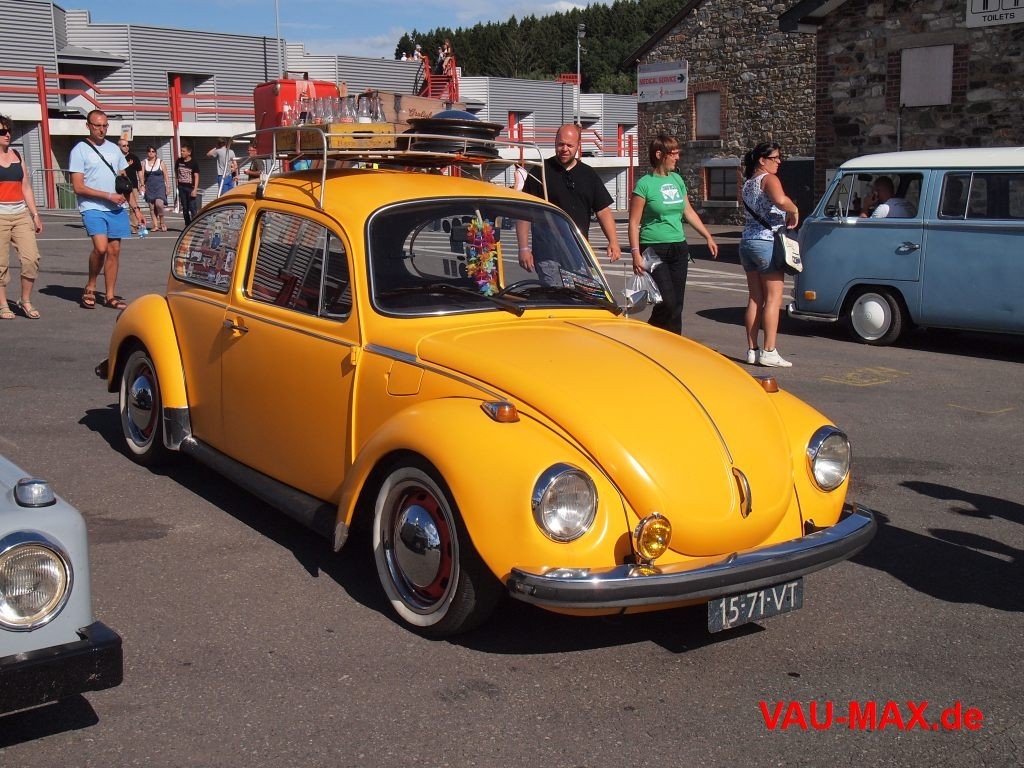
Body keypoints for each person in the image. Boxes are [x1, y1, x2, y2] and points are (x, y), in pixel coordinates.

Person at [627, 134, 718, 336]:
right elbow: (633, 223)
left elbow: (688, 211)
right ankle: (648, 334)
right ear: (659, 154)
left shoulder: (677, 179)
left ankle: (674, 343)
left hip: (678, 247)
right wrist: (635, 254)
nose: (677, 157)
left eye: (678, 153)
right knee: (666, 302)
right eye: (673, 153)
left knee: (677, 304)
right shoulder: (644, 184)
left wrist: (708, 236)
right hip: (653, 249)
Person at [517, 123, 621, 284]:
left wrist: (613, 241)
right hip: (548, 253)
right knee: (556, 295)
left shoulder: (588, 174)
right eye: (561, 144)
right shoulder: (540, 172)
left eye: (569, 145)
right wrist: (523, 248)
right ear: (555, 143)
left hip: (579, 252)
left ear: (578, 146)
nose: (564, 149)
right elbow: (524, 212)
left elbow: (603, 211)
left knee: (581, 296)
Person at [739, 141, 799, 367]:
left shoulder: (748, 183)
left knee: (755, 298)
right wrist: (795, 209)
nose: (779, 162)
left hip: (747, 242)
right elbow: (781, 201)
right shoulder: (769, 179)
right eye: (775, 158)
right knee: (773, 298)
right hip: (766, 242)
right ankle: (769, 351)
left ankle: (752, 350)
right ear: (762, 160)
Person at [69, 109, 131, 310]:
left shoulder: (114, 149)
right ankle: (91, 285)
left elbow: (124, 180)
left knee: (114, 250)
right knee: (101, 248)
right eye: (97, 125)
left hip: (116, 207)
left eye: (105, 126)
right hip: (92, 206)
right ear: (88, 126)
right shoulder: (79, 150)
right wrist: (107, 196)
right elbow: (78, 187)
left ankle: (110, 295)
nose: (101, 129)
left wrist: (136, 208)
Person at [0, 113, 44, 319]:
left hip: (20, 214)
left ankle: (25, 300)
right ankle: (3, 304)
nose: (7, 134)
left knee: (31, 258)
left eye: (9, 131)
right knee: (0, 263)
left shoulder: (17, 155)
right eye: (2, 132)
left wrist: (35, 214)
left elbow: (25, 186)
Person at [117, 137, 148, 235]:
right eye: (124, 146)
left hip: (132, 185)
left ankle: (133, 226)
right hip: (118, 186)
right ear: (119, 147)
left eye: (128, 145)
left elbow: (139, 171)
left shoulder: (134, 157)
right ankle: (118, 225)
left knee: (133, 207)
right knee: (118, 206)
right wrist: (126, 164)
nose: (126, 147)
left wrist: (142, 184)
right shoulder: (116, 157)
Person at [142, 145, 169, 231]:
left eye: (153, 151)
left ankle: (162, 221)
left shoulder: (160, 162)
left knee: (159, 204)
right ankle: (155, 225)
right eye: (149, 151)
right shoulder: (144, 162)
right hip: (149, 187)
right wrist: (142, 185)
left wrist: (168, 186)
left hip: (160, 186)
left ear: (155, 153)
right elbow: (141, 175)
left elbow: (166, 174)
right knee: (152, 207)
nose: (151, 153)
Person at [175, 144, 200, 226]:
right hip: (181, 187)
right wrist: (177, 183)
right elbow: (176, 172)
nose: (181, 152)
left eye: (183, 151)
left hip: (190, 188)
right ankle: (187, 225)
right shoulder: (179, 161)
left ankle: (195, 225)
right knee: (185, 208)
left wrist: (195, 189)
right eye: (181, 151)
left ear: (189, 152)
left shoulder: (194, 162)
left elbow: (196, 176)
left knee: (192, 208)